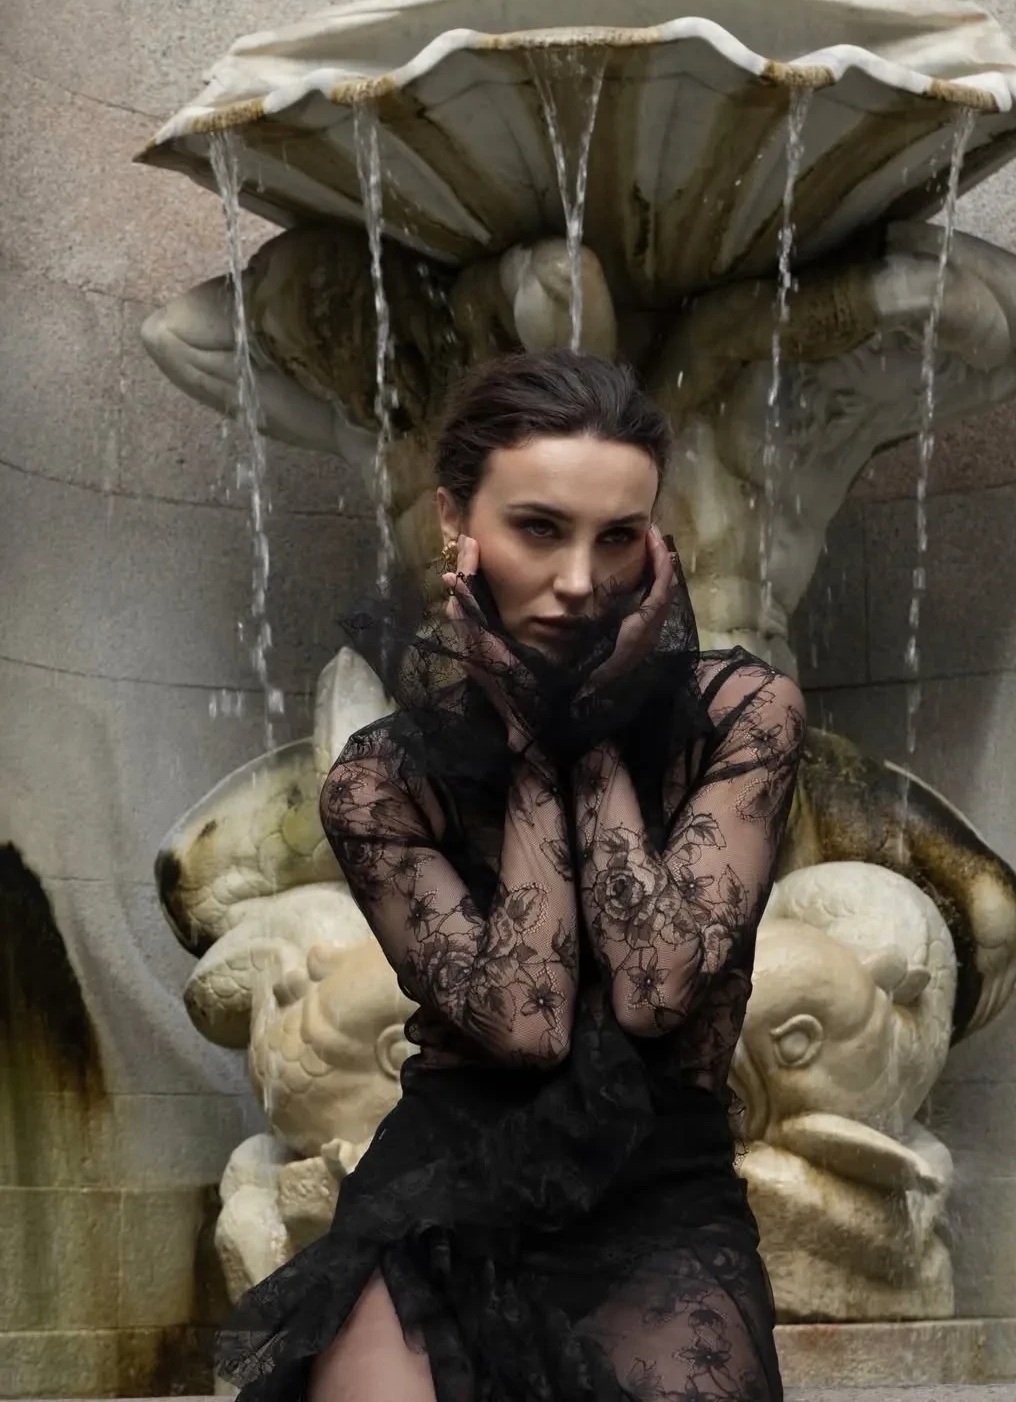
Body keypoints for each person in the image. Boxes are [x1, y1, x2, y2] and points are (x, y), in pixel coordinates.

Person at [217, 349, 806, 1402]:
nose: (580, 581)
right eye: (540, 528)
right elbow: (527, 1019)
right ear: (458, 521)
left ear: (656, 547)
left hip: (659, 1195)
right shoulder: (379, 783)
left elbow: (654, 986)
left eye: (617, 538)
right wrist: (538, 740)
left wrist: (589, 731)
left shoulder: (743, 716)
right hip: (444, 1192)